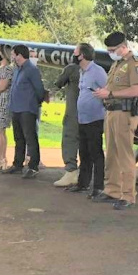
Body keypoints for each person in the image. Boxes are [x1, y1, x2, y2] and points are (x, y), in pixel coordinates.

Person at [93, 32, 138, 210]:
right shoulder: (117, 64)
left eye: (113, 50)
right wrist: (103, 92)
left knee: (125, 155)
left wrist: (111, 94)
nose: (110, 52)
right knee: (112, 154)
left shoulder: (135, 65)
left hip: (124, 113)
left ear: (123, 47)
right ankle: (112, 190)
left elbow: (136, 90)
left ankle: (129, 195)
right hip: (111, 112)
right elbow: (111, 86)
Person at [67, 43, 108, 198]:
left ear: (82, 55)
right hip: (83, 119)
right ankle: (83, 183)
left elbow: (107, 90)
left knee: (95, 153)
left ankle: (98, 187)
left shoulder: (97, 71)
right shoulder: (82, 71)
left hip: (95, 119)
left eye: (75, 52)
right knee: (83, 152)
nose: (73, 54)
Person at [2, 44, 45, 179]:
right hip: (16, 108)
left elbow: (39, 89)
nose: (12, 56)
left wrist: (36, 103)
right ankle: (18, 164)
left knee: (30, 138)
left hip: (27, 109)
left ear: (19, 55)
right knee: (18, 138)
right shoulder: (17, 69)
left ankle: (33, 166)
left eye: (14, 54)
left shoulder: (31, 69)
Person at [53, 49, 81, 188]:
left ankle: (71, 171)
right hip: (89, 113)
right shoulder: (95, 70)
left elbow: (58, 83)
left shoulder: (71, 69)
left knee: (69, 140)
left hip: (73, 112)